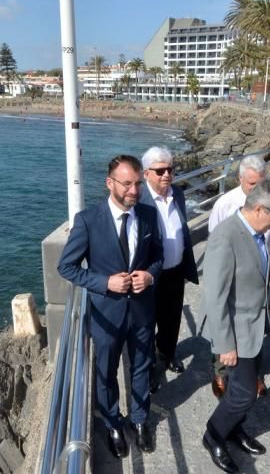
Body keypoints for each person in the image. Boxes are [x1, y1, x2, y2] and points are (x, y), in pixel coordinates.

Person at [58, 155, 163, 457]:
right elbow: (67, 267)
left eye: (138, 184)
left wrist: (150, 275)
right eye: (127, 184)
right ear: (110, 183)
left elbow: (158, 256)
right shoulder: (88, 221)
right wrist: (105, 283)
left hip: (142, 311)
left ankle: (140, 420)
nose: (134, 190)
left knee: (142, 366)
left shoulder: (147, 215)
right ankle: (113, 423)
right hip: (106, 315)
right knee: (106, 372)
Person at [201, 180, 270, 474]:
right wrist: (224, 344)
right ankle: (213, 435)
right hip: (235, 334)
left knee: (242, 391)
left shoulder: (256, 234)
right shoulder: (226, 237)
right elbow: (215, 296)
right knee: (244, 394)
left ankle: (234, 429)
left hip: (253, 327)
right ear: (260, 209)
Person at [208, 154, 268, 399]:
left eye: (261, 182)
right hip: (232, 274)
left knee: (258, 324)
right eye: (252, 183)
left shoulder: (269, 199)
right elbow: (215, 239)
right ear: (240, 179)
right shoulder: (226, 203)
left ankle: (256, 373)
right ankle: (221, 371)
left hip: (259, 273)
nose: (257, 188)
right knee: (225, 321)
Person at [141, 146, 198, 379]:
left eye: (170, 169)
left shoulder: (177, 194)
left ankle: (167, 354)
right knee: (147, 323)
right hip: (150, 274)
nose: (167, 174)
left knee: (172, 318)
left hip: (175, 271)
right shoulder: (140, 200)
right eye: (160, 170)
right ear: (146, 173)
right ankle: (148, 368)